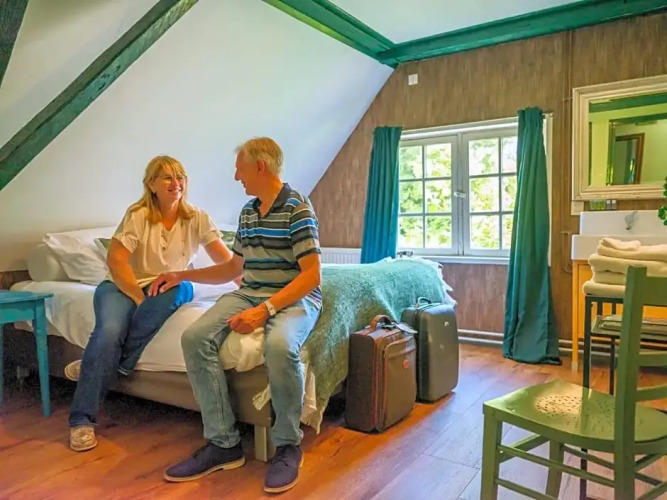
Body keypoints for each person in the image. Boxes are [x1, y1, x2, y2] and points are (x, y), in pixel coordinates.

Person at [160, 137, 322, 493]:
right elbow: (234, 267)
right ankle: (223, 443)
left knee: (279, 346)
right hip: (250, 292)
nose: (236, 177)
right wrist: (181, 275)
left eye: (240, 169)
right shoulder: (248, 211)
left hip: (295, 297)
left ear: (260, 167)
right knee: (194, 337)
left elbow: (312, 276)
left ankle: (287, 445)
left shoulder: (297, 208)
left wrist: (265, 311)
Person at [66, 155, 232, 452]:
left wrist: (256, 287)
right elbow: (116, 260)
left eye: (180, 177)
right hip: (122, 285)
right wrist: (139, 298)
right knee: (108, 332)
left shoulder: (197, 218)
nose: (176, 183)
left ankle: (102, 366)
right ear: (151, 184)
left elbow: (229, 265)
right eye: (167, 177)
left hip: (172, 282)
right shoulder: (138, 215)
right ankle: (81, 420)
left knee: (178, 289)